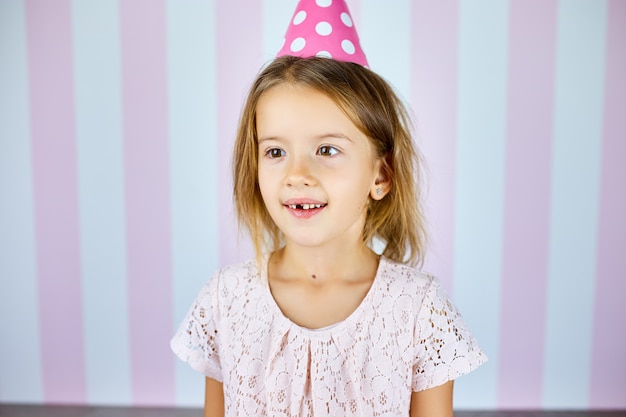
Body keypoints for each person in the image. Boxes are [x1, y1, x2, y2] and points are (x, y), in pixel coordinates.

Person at [171, 1, 486, 416]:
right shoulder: (226, 302)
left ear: (380, 175)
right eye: (276, 151)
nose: (297, 173)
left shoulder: (418, 312)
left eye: (326, 149)